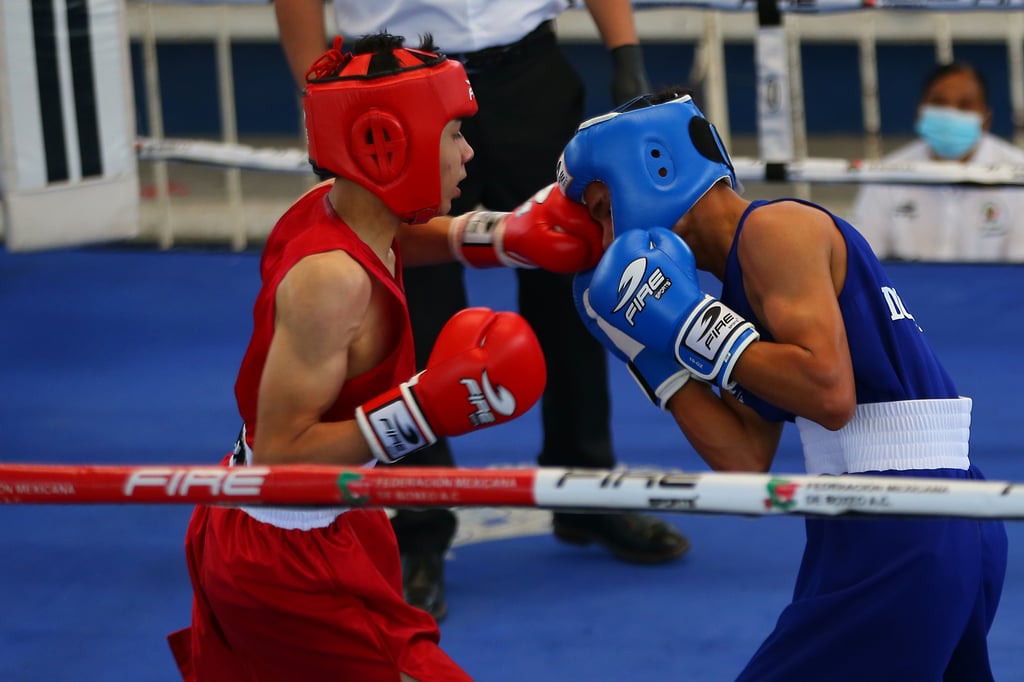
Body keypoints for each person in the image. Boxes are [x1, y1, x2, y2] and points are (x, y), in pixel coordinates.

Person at [167, 33, 609, 681]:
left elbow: (399, 233)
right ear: (388, 143)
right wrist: (421, 410)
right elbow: (283, 454)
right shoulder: (331, 284)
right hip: (288, 551)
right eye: (454, 132)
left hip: (330, 518)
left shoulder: (332, 207)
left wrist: (501, 236)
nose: (469, 150)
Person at [560, 89, 1009, 680]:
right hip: (892, 522)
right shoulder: (729, 296)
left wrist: (691, 325)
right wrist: (653, 357)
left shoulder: (776, 229)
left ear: (654, 166)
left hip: (903, 525)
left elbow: (828, 395)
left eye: (600, 206)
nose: (601, 232)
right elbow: (744, 461)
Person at [273, 0, 690, 622]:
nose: (461, 154)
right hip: (393, 80)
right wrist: (322, 98)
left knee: (577, 277)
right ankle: (419, 526)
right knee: (413, 310)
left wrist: (624, 52)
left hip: (529, 71)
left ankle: (586, 491)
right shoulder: (323, 275)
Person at [852, 60, 1024, 262]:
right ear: (919, 113)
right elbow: (863, 262)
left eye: (965, 105)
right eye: (939, 103)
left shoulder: (1017, 174)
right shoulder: (887, 175)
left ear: (986, 119)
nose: (951, 114)